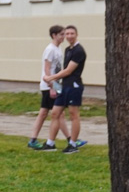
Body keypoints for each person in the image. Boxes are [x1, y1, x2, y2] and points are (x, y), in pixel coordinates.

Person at [42, 25, 88, 153]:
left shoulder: (79, 51)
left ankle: (73, 144)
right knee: (55, 113)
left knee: (74, 115)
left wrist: (51, 78)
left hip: (74, 86)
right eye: (66, 34)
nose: (69, 36)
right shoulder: (68, 49)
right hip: (64, 86)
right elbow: (63, 70)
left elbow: (68, 71)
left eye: (72, 33)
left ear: (76, 34)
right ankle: (50, 143)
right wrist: (55, 83)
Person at [28, 25, 70, 149]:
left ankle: (33, 139)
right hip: (49, 86)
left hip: (55, 84)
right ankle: (71, 139)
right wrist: (52, 87)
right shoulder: (50, 49)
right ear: (54, 35)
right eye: (61, 34)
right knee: (57, 113)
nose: (64, 37)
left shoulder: (58, 48)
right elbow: (47, 70)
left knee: (46, 112)